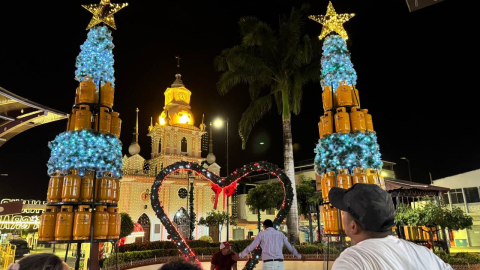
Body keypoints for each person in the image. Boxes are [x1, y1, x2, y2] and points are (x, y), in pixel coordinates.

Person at [328, 183, 453, 270]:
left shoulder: (353, 261)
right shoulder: (424, 254)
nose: (342, 215)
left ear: (353, 227)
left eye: (344, 211)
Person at [233, 219, 301, 270]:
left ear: (264, 227)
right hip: (280, 264)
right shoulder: (281, 234)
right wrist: (299, 256)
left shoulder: (262, 234)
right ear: (272, 226)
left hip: (268, 264)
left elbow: (251, 247)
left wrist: (240, 255)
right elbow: (290, 248)